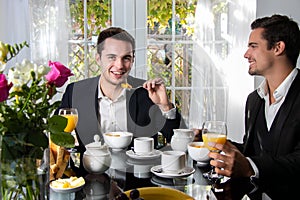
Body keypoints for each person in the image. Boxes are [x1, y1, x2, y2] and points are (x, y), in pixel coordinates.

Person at [56, 27, 182, 175]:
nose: (119, 65)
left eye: (126, 58)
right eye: (111, 57)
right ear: (98, 58)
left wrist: (165, 106)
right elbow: (57, 137)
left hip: (139, 184)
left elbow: (176, 143)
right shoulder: (75, 92)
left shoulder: (147, 92)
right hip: (89, 183)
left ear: (133, 59)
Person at [204, 14, 300, 199]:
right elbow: (254, 152)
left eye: (253, 46)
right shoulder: (254, 100)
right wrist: (223, 146)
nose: (246, 54)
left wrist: (249, 166)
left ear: (278, 48)